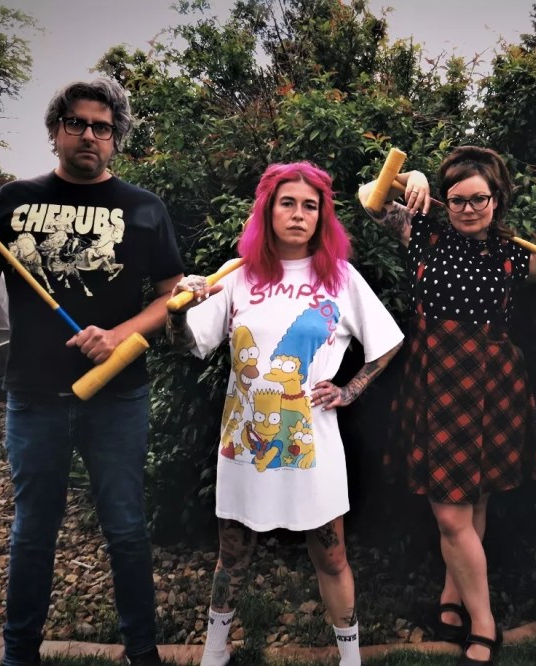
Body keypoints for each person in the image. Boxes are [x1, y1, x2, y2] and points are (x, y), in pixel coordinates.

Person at [0, 78, 184, 666]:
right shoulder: (12, 200)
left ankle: (143, 652)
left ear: (117, 139)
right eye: (77, 124)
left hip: (117, 398)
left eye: (103, 127)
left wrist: (118, 336)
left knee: (127, 530)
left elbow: (171, 297)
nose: (89, 135)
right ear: (56, 132)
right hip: (33, 396)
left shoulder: (144, 209)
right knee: (32, 533)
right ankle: (19, 655)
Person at [358, 146, 536, 665]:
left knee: (474, 501)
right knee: (452, 513)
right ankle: (485, 620)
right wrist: (412, 176)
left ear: (497, 198)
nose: (469, 209)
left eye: (480, 199)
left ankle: (455, 596)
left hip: (491, 378)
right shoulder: (422, 232)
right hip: (436, 376)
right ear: (444, 201)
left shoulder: (511, 252)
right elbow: (368, 198)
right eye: (457, 200)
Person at [166, 162, 404, 666]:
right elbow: (191, 343)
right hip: (243, 448)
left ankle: (350, 657)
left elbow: (386, 343)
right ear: (268, 210)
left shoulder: (339, 277)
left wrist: (350, 389)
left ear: (322, 217)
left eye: (310, 206)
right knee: (232, 553)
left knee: (332, 554)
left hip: (312, 448)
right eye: (287, 203)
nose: (298, 214)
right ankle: (215, 650)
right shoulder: (238, 276)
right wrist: (175, 310)